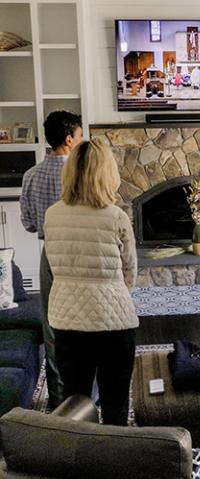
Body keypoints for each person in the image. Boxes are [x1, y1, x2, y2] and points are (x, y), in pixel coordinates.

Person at [44, 139, 139, 425]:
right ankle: (113, 460)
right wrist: (113, 291)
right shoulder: (116, 217)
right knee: (116, 402)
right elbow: (130, 271)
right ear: (107, 174)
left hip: (67, 321)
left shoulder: (52, 215)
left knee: (76, 402)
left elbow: (53, 265)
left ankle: (83, 461)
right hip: (114, 324)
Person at [19, 110, 83, 409]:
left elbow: (29, 224)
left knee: (53, 326)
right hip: (80, 254)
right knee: (83, 323)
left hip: (50, 256)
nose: (82, 141)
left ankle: (59, 400)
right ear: (69, 140)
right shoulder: (81, 174)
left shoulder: (31, 175)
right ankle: (84, 396)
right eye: (81, 136)